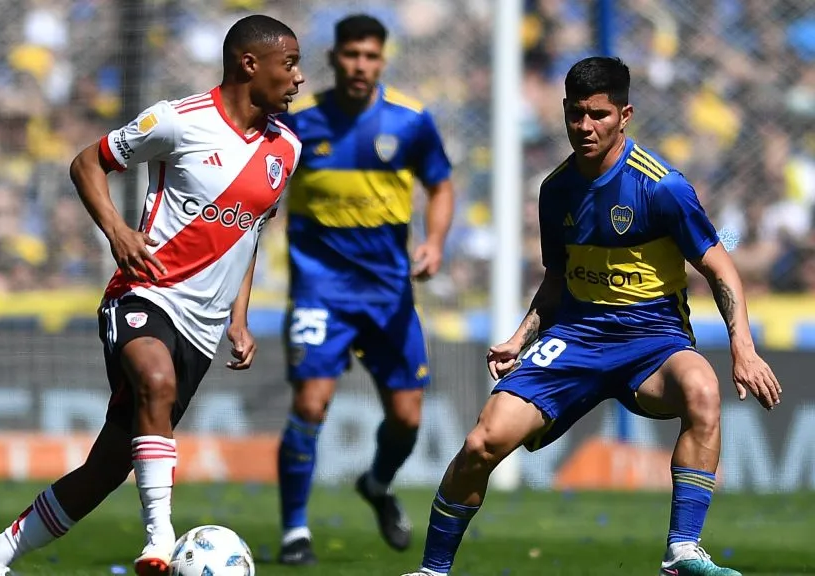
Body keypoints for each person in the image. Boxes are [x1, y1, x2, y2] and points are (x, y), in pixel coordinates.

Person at [402, 56, 782, 576]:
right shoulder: (555, 190)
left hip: (654, 342)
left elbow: (721, 267)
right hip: (577, 339)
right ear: (563, 111)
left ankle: (682, 552)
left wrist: (743, 347)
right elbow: (558, 278)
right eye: (575, 114)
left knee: (701, 388)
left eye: (598, 115)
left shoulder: (662, 187)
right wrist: (520, 337)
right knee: (480, 443)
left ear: (624, 114)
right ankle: (432, 571)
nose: (585, 126)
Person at [0, 14, 304, 576]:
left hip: (203, 327)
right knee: (156, 379)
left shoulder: (285, 149)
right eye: (289, 65)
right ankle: (160, 538)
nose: (298, 78)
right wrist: (119, 231)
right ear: (249, 64)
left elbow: (251, 232)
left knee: (107, 467)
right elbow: (86, 162)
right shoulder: (178, 120)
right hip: (144, 293)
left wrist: (239, 317)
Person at [276, 14, 455, 565]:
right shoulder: (297, 122)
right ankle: (294, 533)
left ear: (382, 60)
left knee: (406, 419)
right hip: (319, 291)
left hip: (388, 293)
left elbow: (440, 185)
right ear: (333, 59)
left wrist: (435, 241)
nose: (360, 66)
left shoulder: (409, 120)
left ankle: (376, 485)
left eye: (370, 57)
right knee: (310, 402)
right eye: (351, 55)